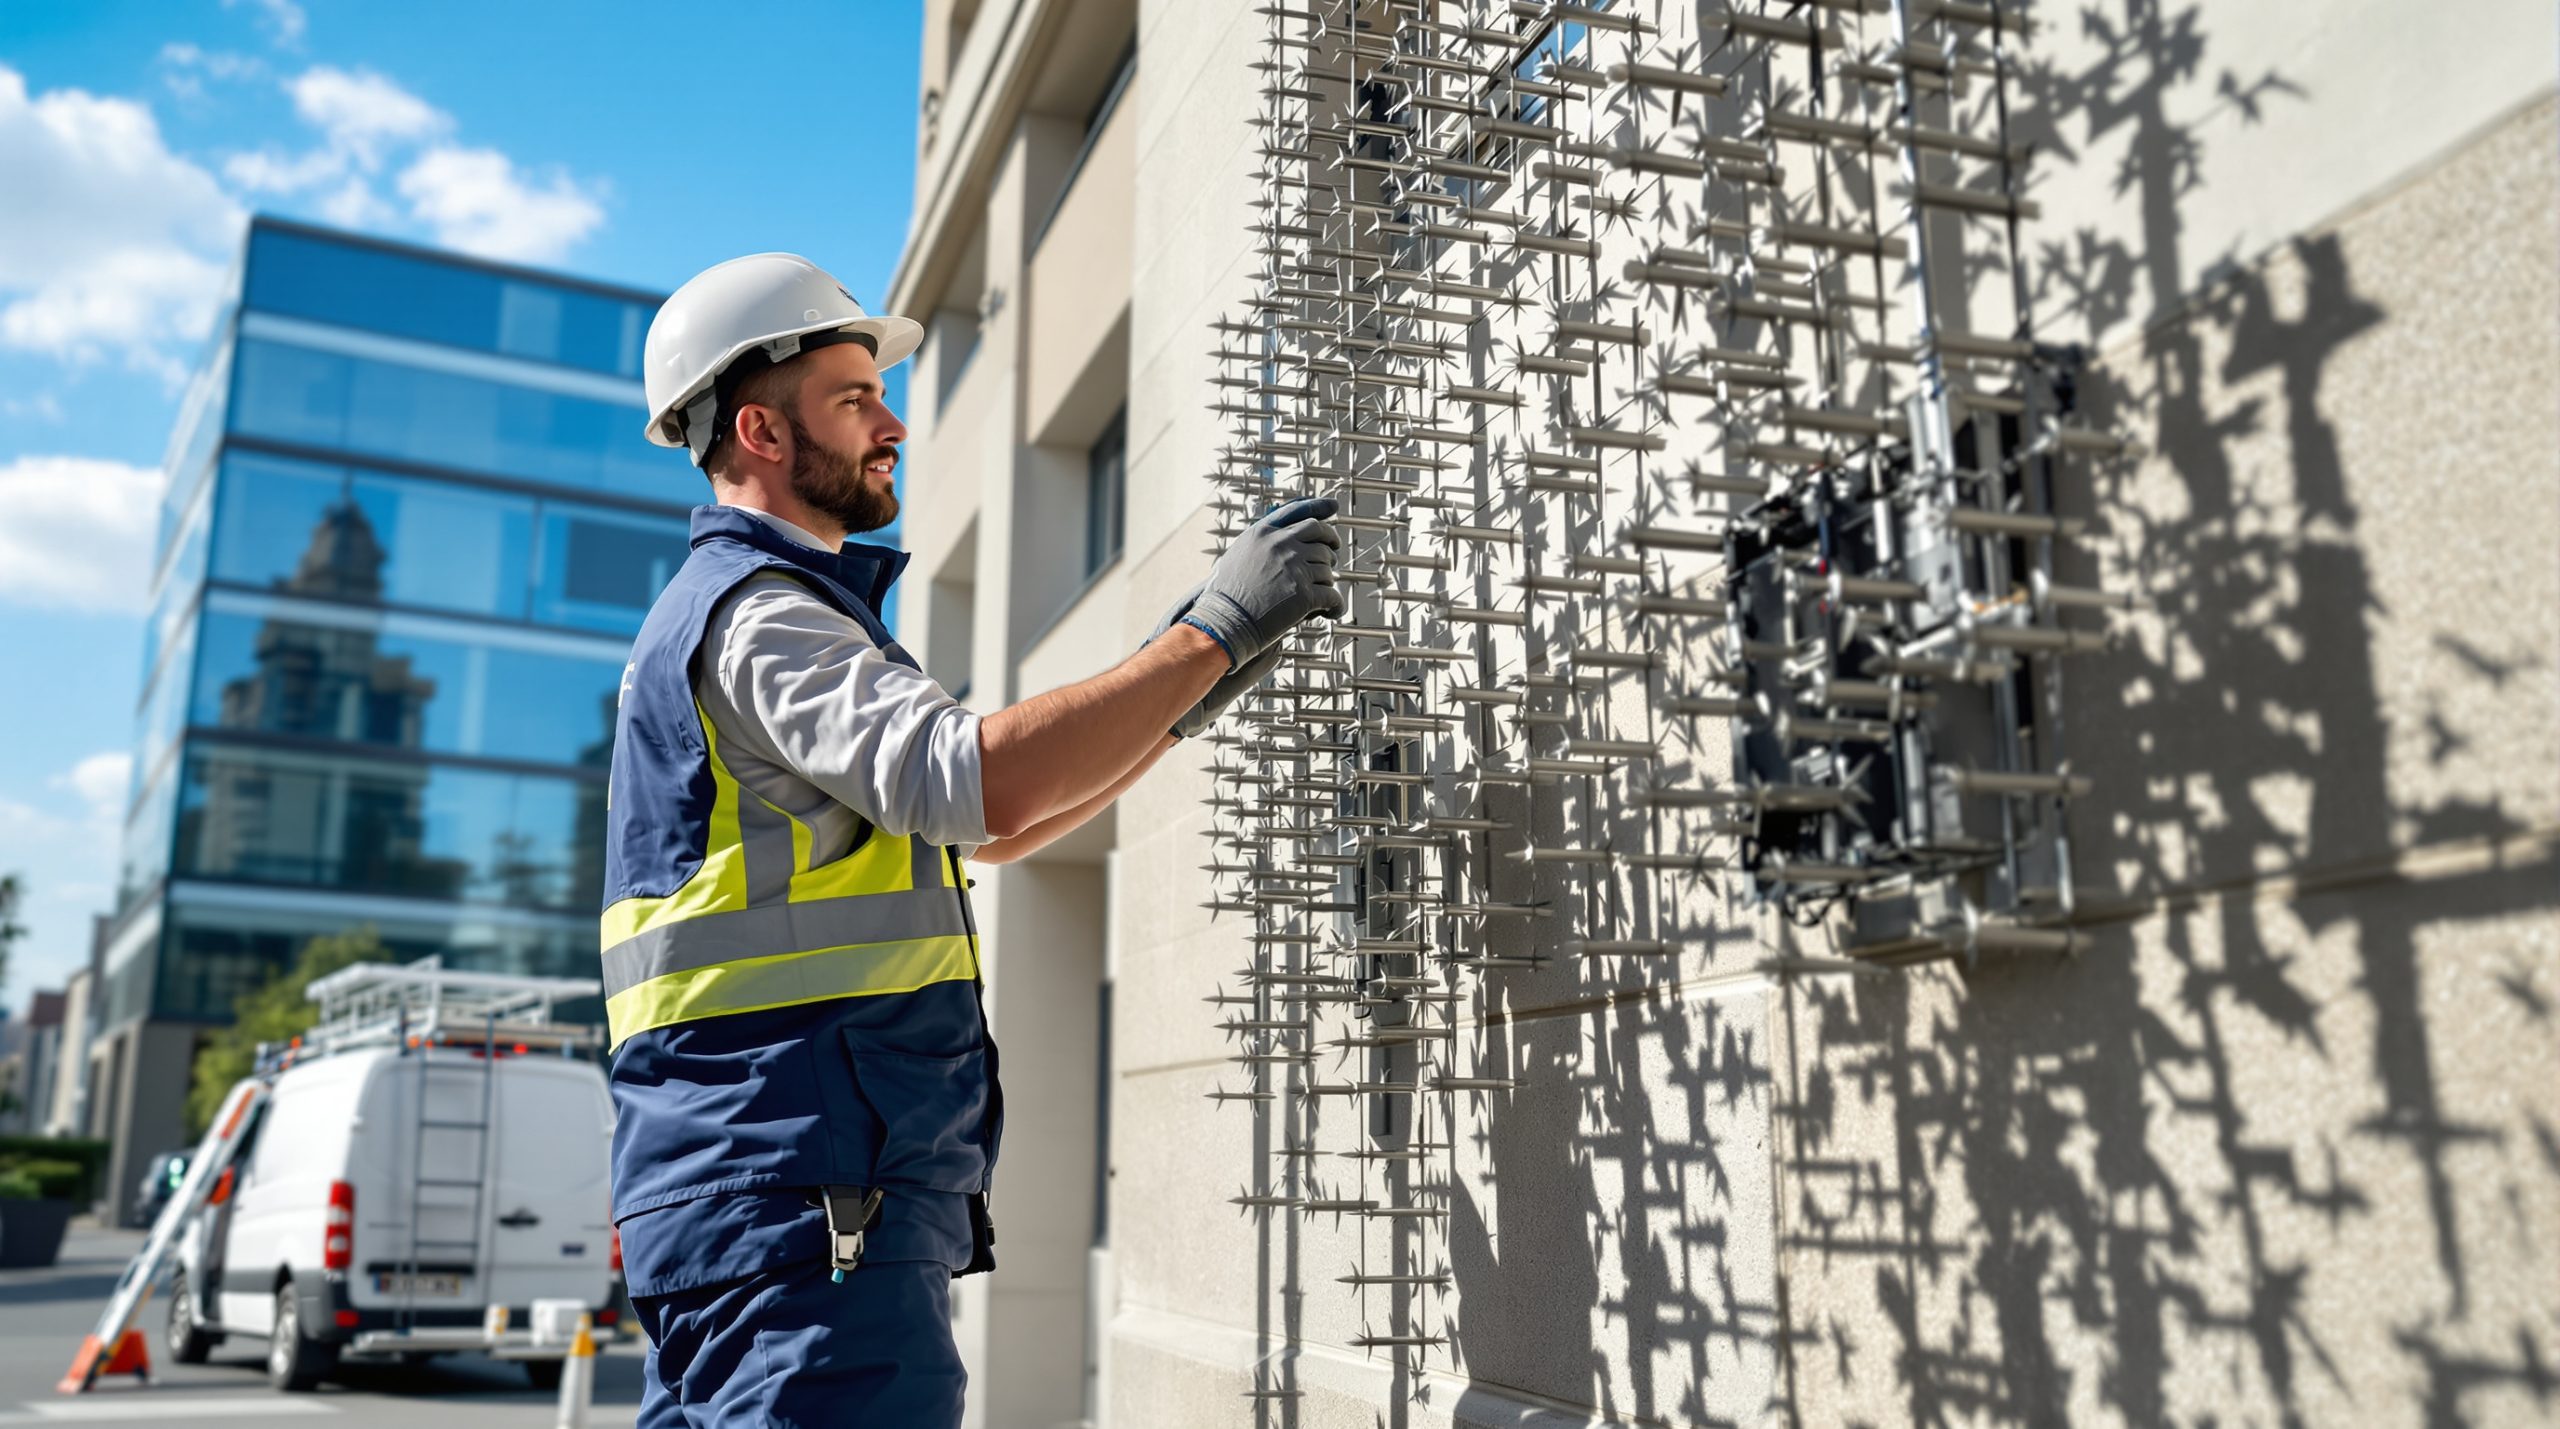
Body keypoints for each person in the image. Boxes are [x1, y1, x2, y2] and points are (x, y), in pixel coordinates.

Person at [602, 252, 1339, 1426]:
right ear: (761, 429)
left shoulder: (750, 616)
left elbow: (998, 830)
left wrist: (1184, 688)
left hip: (760, 1199)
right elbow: (977, 783)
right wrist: (1209, 631)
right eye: (854, 398)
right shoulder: (761, 618)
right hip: (807, 1201)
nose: (891, 422)